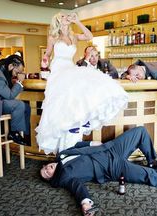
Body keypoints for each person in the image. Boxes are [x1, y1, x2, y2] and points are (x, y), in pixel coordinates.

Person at [40, 126, 157, 215]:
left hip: (110, 148)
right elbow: (77, 189)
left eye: (45, 168)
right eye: (47, 174)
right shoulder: (65, 177)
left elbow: (78, 145)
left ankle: (152, 160)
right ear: (52, 179)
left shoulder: (61, 155)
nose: (47, 169)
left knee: (140, 131)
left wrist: (93, 143)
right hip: (112, 168)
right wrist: (86, 203)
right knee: (151, 177)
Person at [36, 13, 128, 154]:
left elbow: (89, 37)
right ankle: (66, 127)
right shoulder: (53, 37)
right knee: (65, 95)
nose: (65, 17)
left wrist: (78, 22)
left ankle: (81, 119)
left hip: (69, 66)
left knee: (85, 82)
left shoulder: (74, 36)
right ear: (57, 21)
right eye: (62, 16)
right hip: (58, 68)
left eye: (66, 15)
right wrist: (45, 59)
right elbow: (48, 54)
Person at [0, 55, 31, 145]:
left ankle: (25, 134)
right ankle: (14, 133)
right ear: (11, 66)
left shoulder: (3, 71)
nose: (17, 75)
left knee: (26, 107)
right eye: (17, 72)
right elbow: (9, 96)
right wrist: (19, 82)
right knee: (19, 105)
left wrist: (16, 82)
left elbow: (5, 89)